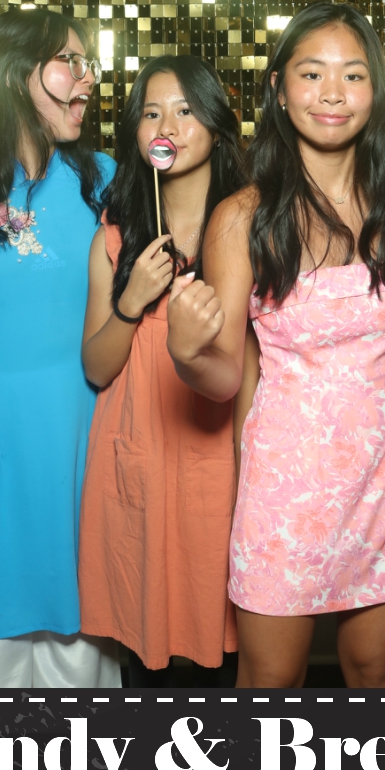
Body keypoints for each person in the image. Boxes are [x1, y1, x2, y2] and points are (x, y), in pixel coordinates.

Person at [167, 0, 385, 690]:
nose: (333, 93)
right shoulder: (242, 218)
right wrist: (188, 349)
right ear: (281, 92)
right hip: (286, 487)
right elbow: (224, 376)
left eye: (352, 74)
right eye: (311, 74)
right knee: (269, 676)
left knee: (375, 666)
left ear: (375, 91)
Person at [78, 56, 249, 686]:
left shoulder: (250, 224)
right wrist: (130, 302)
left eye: (184, 109)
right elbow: (96, 368)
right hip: (138, 446)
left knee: (226, 635)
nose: (167, 125)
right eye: (152, 112)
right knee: (144, 641)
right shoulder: (116, 236)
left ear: (215, 123)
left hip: (218, 449)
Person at [0, 8, 119, 688]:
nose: (86, 80)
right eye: (69, 61)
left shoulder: (108, 181)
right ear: (13, 74)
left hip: (82, 465)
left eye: (88, 64)